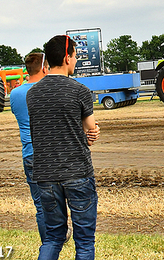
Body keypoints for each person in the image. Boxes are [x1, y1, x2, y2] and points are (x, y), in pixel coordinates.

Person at [28, 35, 100, 260]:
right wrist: (93, 132)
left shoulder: (32, 93)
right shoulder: (80, 91)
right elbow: (90, 132)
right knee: (85, 242)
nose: (76, 61)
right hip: (77, 172)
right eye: (75, 56)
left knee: (52, 237)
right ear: (67, 57)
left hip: (45, 175)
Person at [9, 53, 48, 243]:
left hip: (30, 153)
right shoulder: (47, 90)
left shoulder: (15, 94)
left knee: (41, 205)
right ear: (44, 68)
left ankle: (48, 242)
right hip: (50, 151)